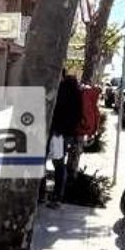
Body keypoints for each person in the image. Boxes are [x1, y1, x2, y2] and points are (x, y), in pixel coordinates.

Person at [47, 73, 83, 207]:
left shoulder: (62, 89)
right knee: (58, 162)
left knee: (57, 162)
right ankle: (56, 196)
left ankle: (54, 196)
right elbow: (77, 115)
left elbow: (58, 111)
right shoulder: (76, 91)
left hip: (57, 132)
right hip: (65, 133)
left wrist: (58, 129)